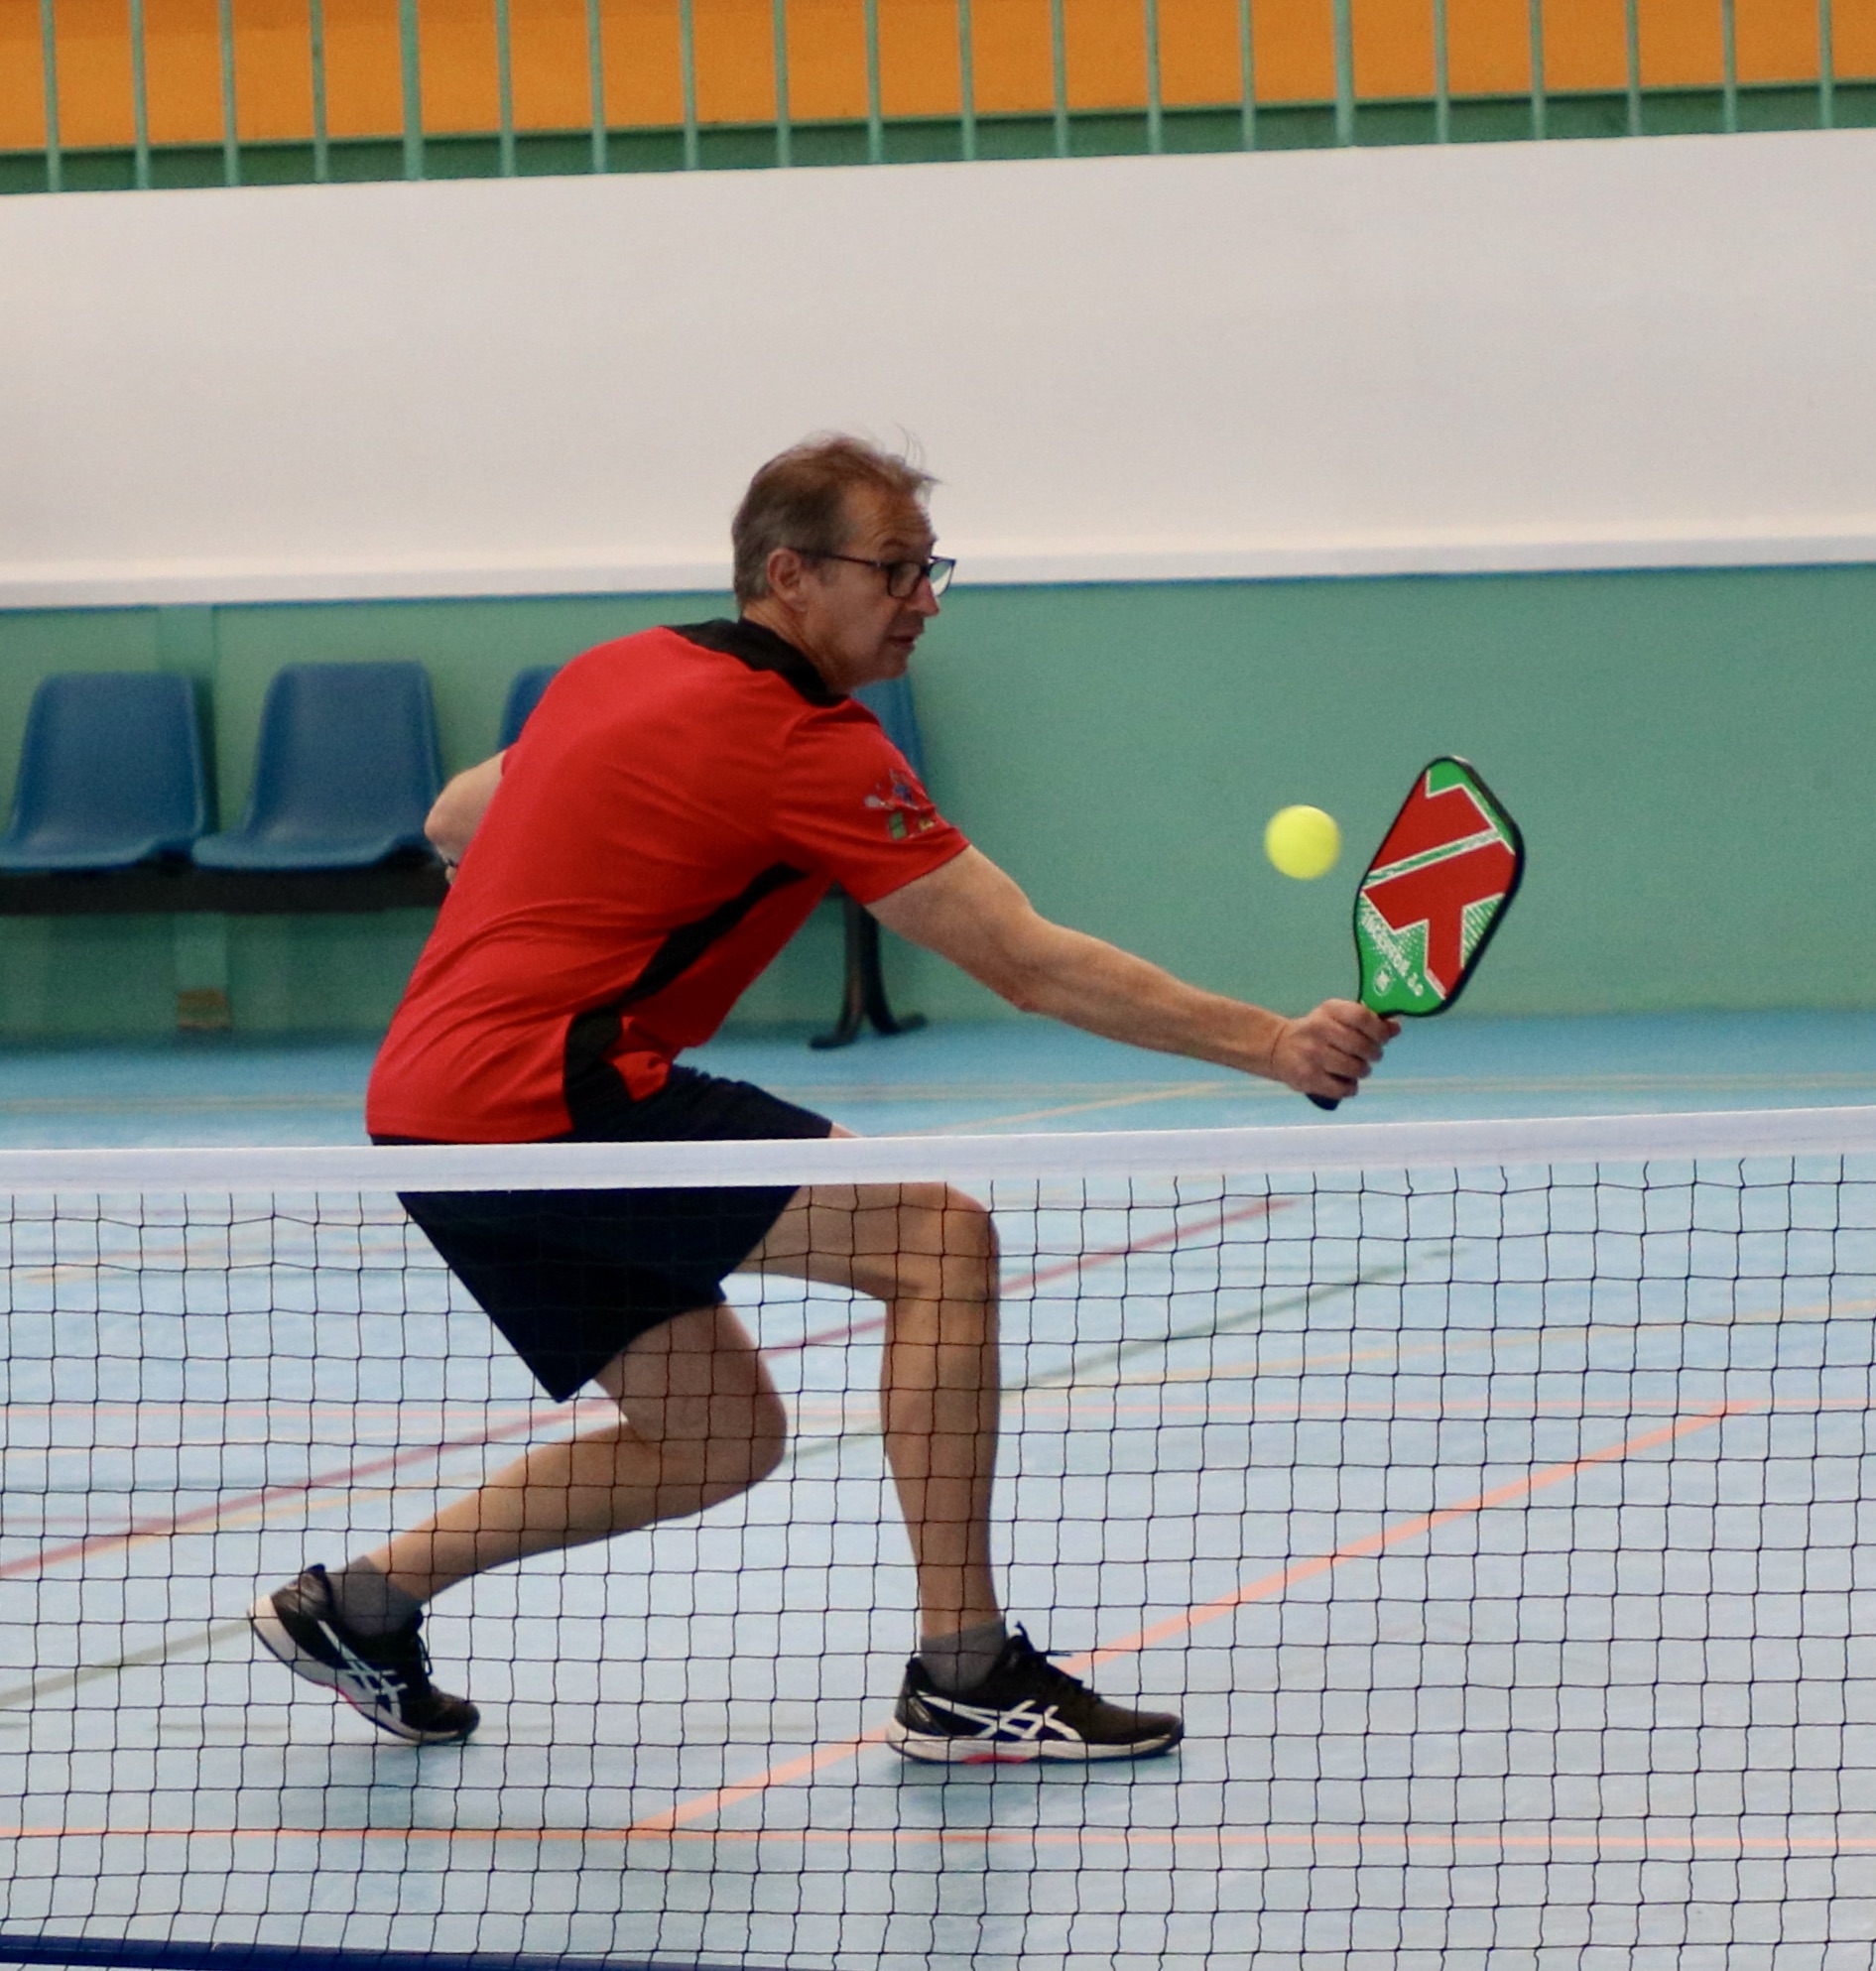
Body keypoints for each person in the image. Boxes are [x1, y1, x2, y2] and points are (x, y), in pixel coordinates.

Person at [248, 434, 1397, 1764]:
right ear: (789, 574)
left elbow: (457, 815)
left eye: (930, 570)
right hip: (554, 1094)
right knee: (940, 1239)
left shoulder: (617, 668)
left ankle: (361, 1608)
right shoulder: (806, 743)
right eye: (892, 569)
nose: (923, 601)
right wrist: (1275, 1045)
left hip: (423, 1106)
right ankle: (966, 1671)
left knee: (713, 1437)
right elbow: (1023, 964)